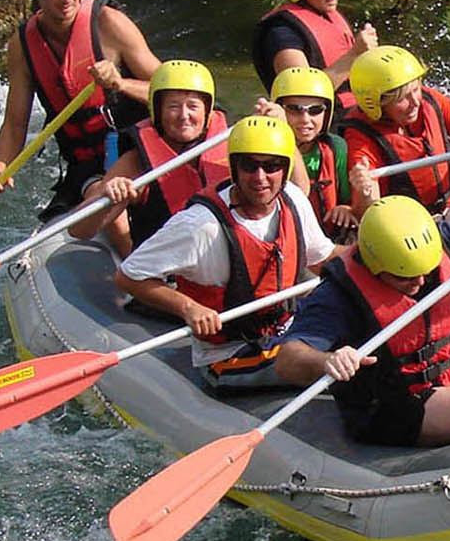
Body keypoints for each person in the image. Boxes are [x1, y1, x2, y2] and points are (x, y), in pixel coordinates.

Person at [275, 196, 450, 447]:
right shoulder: (337, 293)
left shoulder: (440, 238)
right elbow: (288, 360)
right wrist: (327, 360)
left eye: (426, 270)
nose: (421, 281)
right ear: (374, 265)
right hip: (388, 401)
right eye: (405, 276)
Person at [114, 116, 338, 391]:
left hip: (287, 332)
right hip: (228, 356)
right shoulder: (199, 226)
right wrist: (188, 308)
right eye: (249, 165)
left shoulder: (293, 200)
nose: (260, 177)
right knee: (324, 365)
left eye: (271, 166)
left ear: (285, 168)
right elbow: (128, 277)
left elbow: (323, 260)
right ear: (234, 168)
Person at [340, 45, 450, 355]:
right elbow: (370, 211)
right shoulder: (361, 136)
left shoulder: (430, 100)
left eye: (416, 89)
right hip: (409, 221)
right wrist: (365, 189)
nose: (414, 101)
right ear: (376, 103)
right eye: (401, 97)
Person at [0, 0, 162, 220]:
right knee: (101, 200)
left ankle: (134, 263)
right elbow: (15, 124)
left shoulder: (110, 25)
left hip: (138, 148)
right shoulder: (22, 46)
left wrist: (121, 84)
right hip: (86, 165)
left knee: (111, 206)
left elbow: (175, 93)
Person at [69, 60, 231, 257]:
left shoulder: (233, 144)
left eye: (193, 106)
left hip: (224, 264)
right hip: (165, 275)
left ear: (207, 112)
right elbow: (78, 230)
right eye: (173, 106)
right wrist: (108, 194)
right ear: (157, 111)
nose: (183, 115)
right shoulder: (136, 162)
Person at [250, 0, 378, 111]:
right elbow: (303, 95)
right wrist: (354, 55)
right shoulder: (282, 33)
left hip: (357, 110)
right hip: (323, 122)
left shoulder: (326, 14)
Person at [259, 65, 358, 244]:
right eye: (294, 109)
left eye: (315, 110)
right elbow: (300, 191)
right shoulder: (263, 152)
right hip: (284, 240)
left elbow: (348, 200)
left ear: (326, 113)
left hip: (327, 238)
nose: (305, 119)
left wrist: (346, 208)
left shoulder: (336, 147)